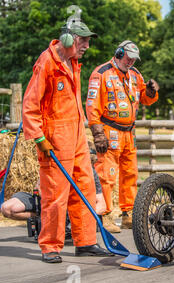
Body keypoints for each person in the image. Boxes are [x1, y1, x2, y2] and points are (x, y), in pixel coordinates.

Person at [21, 20, 112, 263]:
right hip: (55, 137)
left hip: (77, 135)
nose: (87, 46)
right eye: (83, 40)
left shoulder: (72, 62)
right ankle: (50, 246)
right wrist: (39, 138)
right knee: (55, 194)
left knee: (85, 188)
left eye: (88, 40)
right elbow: (30, 104)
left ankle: (86, 242)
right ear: (69, 39)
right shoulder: (47, 62)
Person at [86, 40, 159, 230]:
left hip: (129, 132)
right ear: (119, 53)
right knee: (107, 174)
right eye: (128, 58)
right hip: (109, 130)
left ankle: (129, 214)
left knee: (130, 174)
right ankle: (104, 215)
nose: (131, 62)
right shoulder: (101, 73)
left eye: (134, 59)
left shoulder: (135, 75)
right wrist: (97, 133)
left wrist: (151, 91)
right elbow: (92, 106)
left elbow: (144, 98)